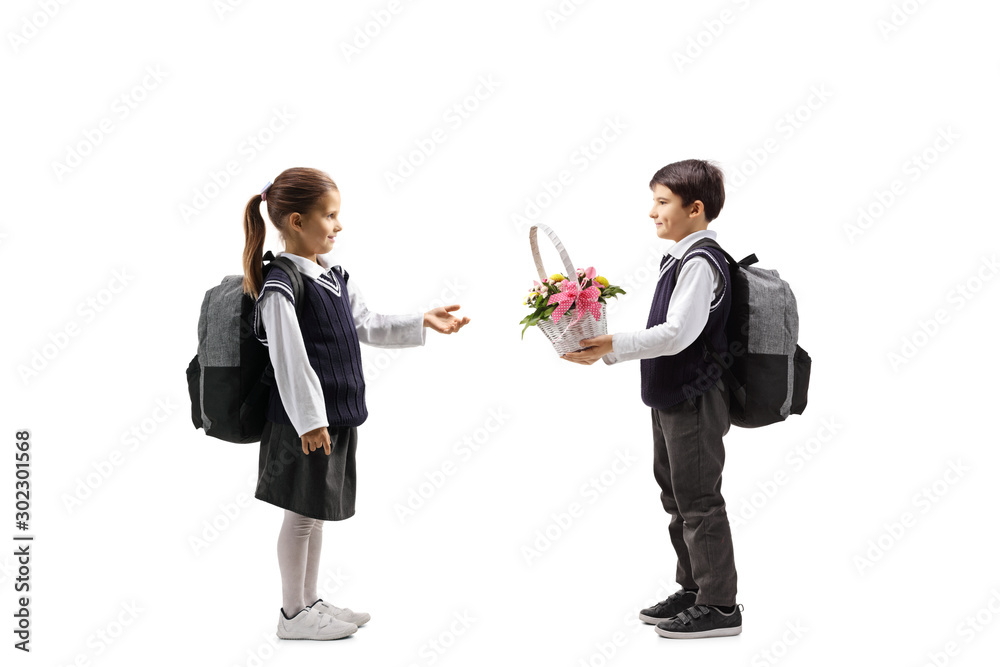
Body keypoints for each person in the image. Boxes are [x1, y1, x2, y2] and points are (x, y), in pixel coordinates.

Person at [241, 167, 470, 640]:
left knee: (314, 511)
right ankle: (292, 615)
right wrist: (309, 421)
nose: (338, 225)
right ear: (298, 221)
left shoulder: (333, 276)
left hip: (333, 418)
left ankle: (308, 602)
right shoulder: (281, 285)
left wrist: (421, 321)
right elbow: (289, 359)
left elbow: (365, 322)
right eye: (330, 215)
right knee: (301, 515)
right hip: (306, 423)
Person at [562, 159, 741, 639]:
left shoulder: (702, 262)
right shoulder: (680, 258)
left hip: (695, 397)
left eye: (662, 202)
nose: (652, 212)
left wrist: (613, 345)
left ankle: (721, 606)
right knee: (676, 496)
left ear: (695, 208)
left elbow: (678, 335)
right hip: (671, 398)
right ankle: (693, 589)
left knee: (699, 500)